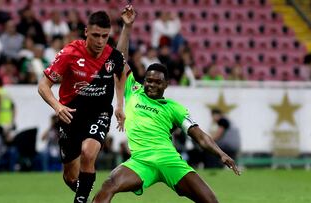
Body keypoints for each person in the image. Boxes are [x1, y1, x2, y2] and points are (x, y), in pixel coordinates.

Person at [92, 7, 239, 203]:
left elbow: (200, 136)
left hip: (169, 160)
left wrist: (220, 153)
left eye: (157, 82)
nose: (151, 85)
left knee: (211, 201)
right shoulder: (133, 90)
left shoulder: (174, 108)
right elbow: (120, 60)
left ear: (166, 85)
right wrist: (128, 27)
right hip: (141, 161)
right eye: (148, 80)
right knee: (109, 184)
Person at [37, 6, 135, 203]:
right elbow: (43, 86)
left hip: (100, 113)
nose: (100, 41)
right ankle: (87, 195)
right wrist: (57, 106)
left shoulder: (110, 56)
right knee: (71, 177)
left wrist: (119, 105)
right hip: (70, 115)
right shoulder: (70, 53)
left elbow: (121, 71)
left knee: (88, 153)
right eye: (96, 35)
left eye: (105, 36)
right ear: (86, 32)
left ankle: (80, 201)